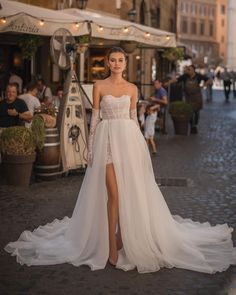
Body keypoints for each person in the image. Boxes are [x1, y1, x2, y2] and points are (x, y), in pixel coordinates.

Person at [4, 47, 236, 274]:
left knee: (128, 192)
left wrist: (142, 147)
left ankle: (121, 235)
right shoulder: (99, 86)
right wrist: (89, 146)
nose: (116, 63)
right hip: (105, 139)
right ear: (107, 63)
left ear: (125, 64)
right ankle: (112, 245)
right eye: (112, 60)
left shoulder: (133, 88)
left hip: (128, 140)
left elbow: (134, 118)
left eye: (120, 60)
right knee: (113, 193)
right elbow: (94, 117)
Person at [166, 65, 211, 134]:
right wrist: (169, 82)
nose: (188, 71)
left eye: (189, 69)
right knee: (190, 111)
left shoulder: (198, 76)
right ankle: (192, 125)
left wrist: (203, 85)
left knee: (196, 111)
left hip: (196, 96)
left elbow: (209, 80)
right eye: (187, 69)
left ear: (193, 70)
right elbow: (177, 79)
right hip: (188, 97)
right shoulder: (185, 76)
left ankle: (194, 125)